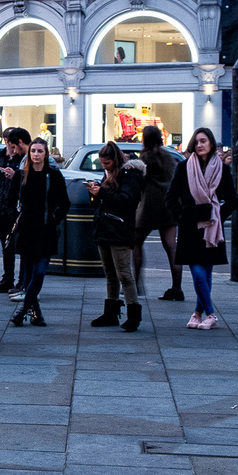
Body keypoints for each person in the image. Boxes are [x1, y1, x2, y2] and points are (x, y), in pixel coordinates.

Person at [165, 127, 237, 330]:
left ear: (212, 143)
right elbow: (170, 197)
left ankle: (197, 314)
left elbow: (232, 200)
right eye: (196, 142)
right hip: (190, 227)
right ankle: (211, 314)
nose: (199, 145)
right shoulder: (184, 167)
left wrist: (217, 216)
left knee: (206, 274)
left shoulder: (223, 169)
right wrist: (181, 215)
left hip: (212, 229)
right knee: (198, 273)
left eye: (203, 141)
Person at [5, 137, 70, 327]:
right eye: (33, 151)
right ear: (29, 153)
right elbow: (9, 201)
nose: (36, 155)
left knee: (39, 272)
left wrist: (55, 218)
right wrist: (14, 217)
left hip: (46, 230)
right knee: (29, 274)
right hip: (25, 231)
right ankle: (36, 314)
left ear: (46, 154)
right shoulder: (21, 174)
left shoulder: (53, 175)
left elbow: (65, 203)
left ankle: (23, 311)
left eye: (40, 151)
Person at [86, 141, 147, 332]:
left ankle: (133, 315)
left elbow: (127, 201)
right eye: (102, 164)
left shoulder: (130, 175)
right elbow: (102, 203)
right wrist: (95, 193)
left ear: (116, 160)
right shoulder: (109, 174)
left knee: (124, 274)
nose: (104, 167)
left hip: (120, 229)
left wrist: (101, 192)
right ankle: (111, 313)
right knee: (110, 274)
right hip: (105, 228)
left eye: (107, 164)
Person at [0, 128, 31, 294]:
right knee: (6, 246)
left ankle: (22, 281)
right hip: (2, 208)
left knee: (21, 246)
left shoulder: (24, 158)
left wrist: (16, 176)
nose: (13, 149)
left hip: (17, 210)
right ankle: (8, 279)